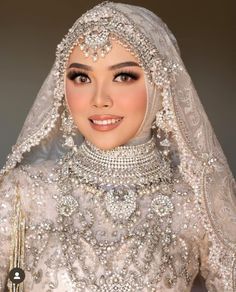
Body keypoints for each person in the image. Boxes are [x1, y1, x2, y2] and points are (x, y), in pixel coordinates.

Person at [0, 1, 235, 291]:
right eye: (81, 77)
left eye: (123, 76)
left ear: (160, 84)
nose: (99, 99)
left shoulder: (197, 205)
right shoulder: (23, 194)